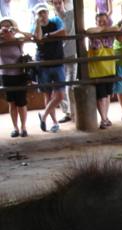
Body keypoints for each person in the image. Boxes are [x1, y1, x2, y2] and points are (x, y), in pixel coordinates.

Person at [32, 2, 66, 133]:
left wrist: (50, 35)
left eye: (44, 12)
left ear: (48, 12)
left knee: (60, 94)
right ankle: (54, 122)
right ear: (36, 15)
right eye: (40, 13)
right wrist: (37, 24)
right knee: (47, 93)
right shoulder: (35, 26)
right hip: (43, 63)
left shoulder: (55, 20)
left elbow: (64, 32)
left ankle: (44, 115)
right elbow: (38, 38)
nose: (42, 15)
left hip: (57, 61)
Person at [86, 13, 118, 129]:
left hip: (109, 68)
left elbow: (116, 28)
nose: (102, 22)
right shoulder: (93, 34)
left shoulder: (111, 33)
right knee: (101, 96)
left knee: (108, 95)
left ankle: (105, 117)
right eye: (100, 21)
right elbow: (89, 30)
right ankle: (103, 119)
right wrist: (103, 29)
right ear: (96, 22)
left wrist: (104, 29)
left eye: (104, 20)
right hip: (97, 71)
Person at [0, 17, 31, 137]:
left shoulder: (18, 40)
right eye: (3, 26)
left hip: (19, 75)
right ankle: (15, 128)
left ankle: (23, 127)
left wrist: (18, 31)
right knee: (11, 103)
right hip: (5, 76)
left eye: (8, 26)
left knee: (21, 103)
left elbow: (31, 37)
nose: (6, 29)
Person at [51, 0, 76, 124]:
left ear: (63, 3)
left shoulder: (71, 15)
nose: (57, 6)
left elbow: (65, 32)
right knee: (60, 85)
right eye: (55, 3)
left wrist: (49, 35)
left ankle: (73, 111)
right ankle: (67, 112)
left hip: (72, 53)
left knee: (70, 85)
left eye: (59, 3)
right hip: (59, 55)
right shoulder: (53, 20)